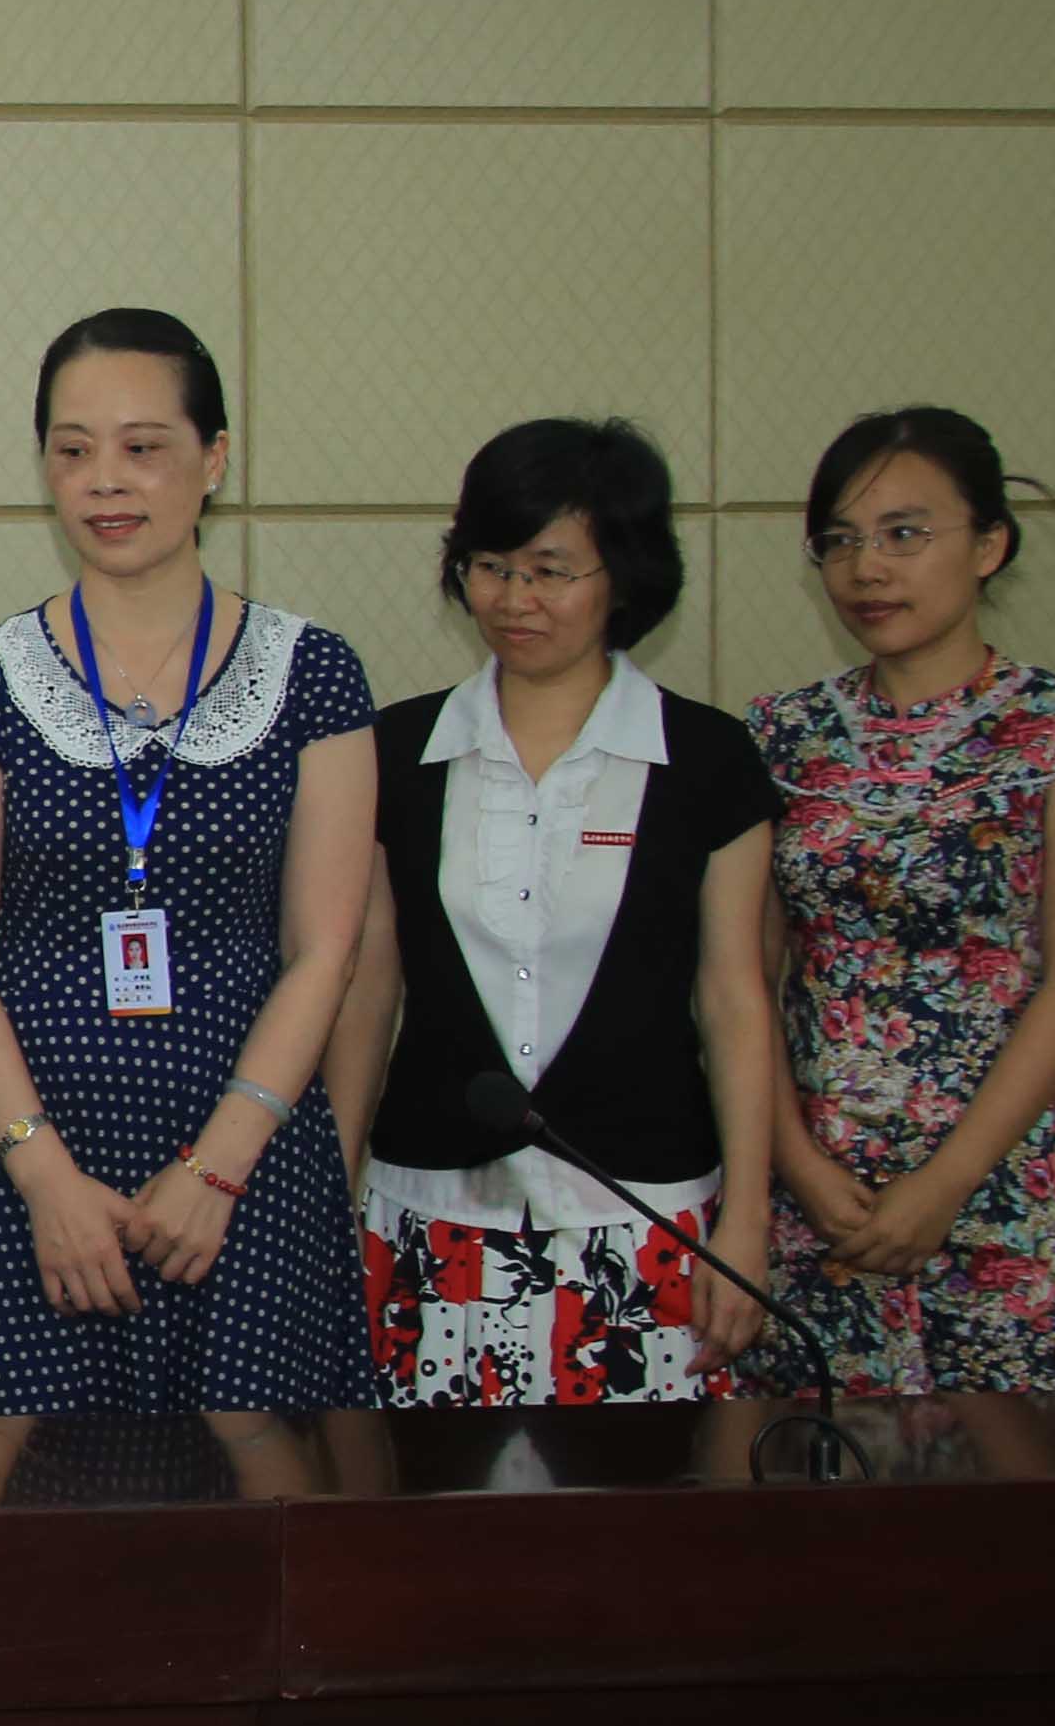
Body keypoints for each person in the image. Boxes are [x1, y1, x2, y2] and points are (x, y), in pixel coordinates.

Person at [0, 310, 378, 1471]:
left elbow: (326, 950)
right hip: (15, 1144)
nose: (106, 480)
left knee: (266, 1474)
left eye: (144, 447)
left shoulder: (313, 674)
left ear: (215, 457)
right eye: (73, 449)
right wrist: (43, 1175)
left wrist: (218, 1166)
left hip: (244, 1149)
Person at [323, 419, 784, 1408]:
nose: (514, 599)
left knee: (645, 1502)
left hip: (647, 1219)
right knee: (424, 1499)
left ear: (625, 574)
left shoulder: (709, 760)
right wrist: (332, 1191)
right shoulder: (397, 752)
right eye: (491, 566)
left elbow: (736, 1000)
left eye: (551, 571)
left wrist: (747, 1221)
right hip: (430, 1218)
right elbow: (367, 989)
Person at [750, 405, 1055, 1393]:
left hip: (1000, 1185)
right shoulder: (781, 736)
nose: (868, 569)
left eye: (905, 534)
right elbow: (743, 980)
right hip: (818, 1194)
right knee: (816, 1471)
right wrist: (795, 1160)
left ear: (990, 545)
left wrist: (945, 1184)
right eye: (841, 541)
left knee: (1013, 1481)